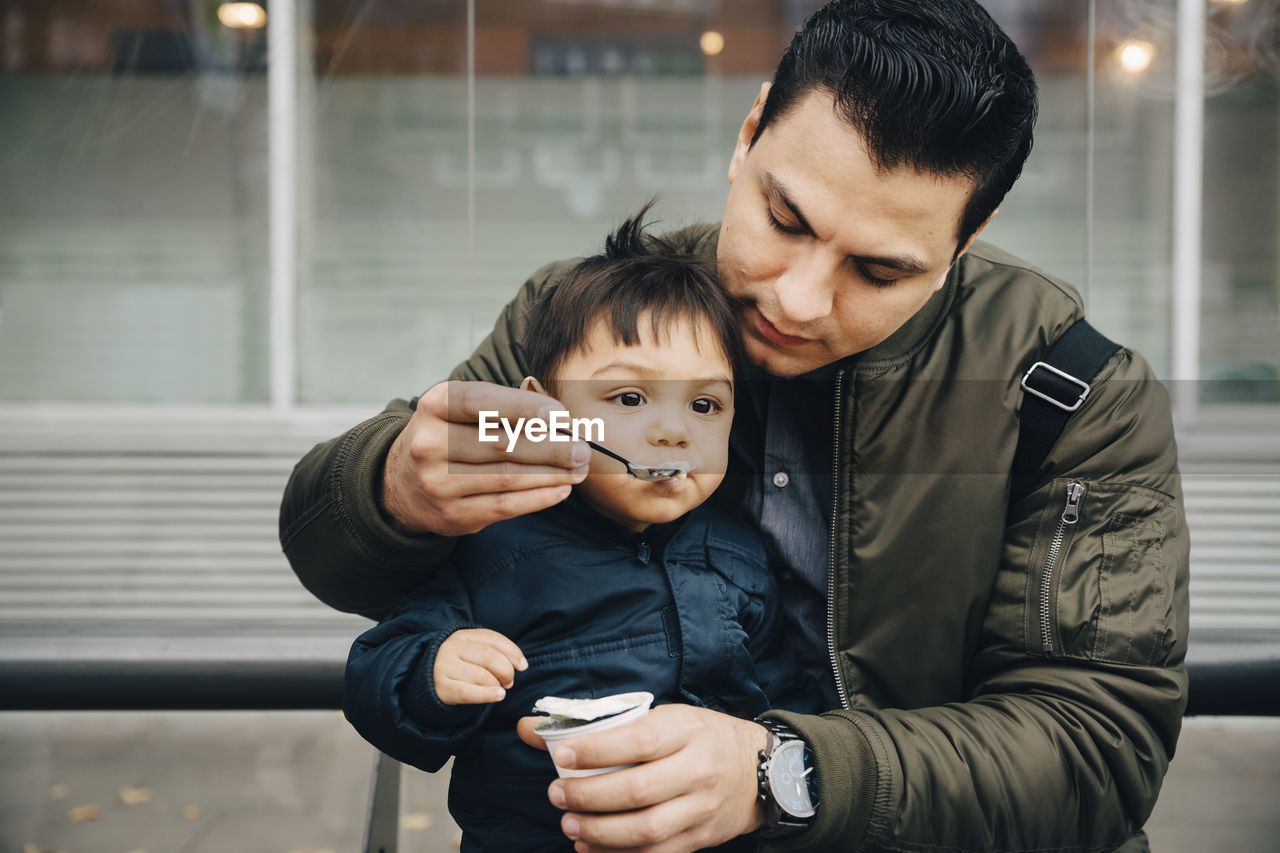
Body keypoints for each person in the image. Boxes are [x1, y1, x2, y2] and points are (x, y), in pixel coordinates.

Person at [280, 1, 1189, 851]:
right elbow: (336, 558)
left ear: (972, 229)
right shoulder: (602, 318)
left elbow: (1098, 744)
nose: (798, 299)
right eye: (783, 219)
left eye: (877, 272)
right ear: (749, 132)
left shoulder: (1074, 394)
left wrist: (782, 771)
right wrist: (392, 488)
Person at [342, 209, 817, 852]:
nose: (675, 431)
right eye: (629, 398)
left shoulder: (739, 555)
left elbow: (787, 704)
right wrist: (433, 673)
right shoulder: (493, 543)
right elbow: (376, 679)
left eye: (704, 405)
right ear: (542, 411)